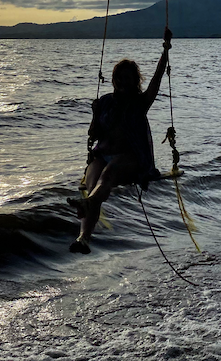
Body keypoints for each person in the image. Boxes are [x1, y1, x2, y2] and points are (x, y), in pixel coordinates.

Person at [68, 27, 173, 254]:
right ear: (114, 79)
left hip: (130, 157)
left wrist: (165, 51)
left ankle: (87, 213)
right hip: (102, 154)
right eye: (119, 77)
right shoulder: (104, 102)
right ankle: (83, 238)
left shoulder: (141, 102)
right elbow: (94, 133)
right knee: (91, 185)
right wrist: (94, 118)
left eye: (128, 78)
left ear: (135, 81)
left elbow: (156, 79)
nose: (122, 82)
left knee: (106, 178)